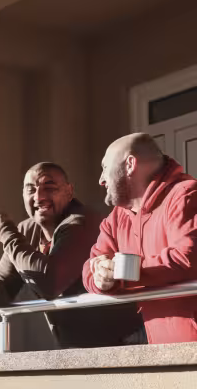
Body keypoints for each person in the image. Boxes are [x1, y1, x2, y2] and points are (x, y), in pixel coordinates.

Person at [0, 162, 144, 348]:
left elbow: (50, 283)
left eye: (49, 188)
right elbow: (2, 289)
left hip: (124, 344)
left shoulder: (82, 223)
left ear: (69, 192)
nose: (39, 197)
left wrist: (6, 234)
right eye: (30, 190)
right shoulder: (25, 230)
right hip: (77, 347)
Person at [83, 132, 197, 344]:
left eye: (105, 167)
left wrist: (122, 271)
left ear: (129, 164)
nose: (100, 179)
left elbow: (187, 258)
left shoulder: (186, 193)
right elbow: (91, 266)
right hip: (160, 349)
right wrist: (101, 278)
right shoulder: (116, 218)